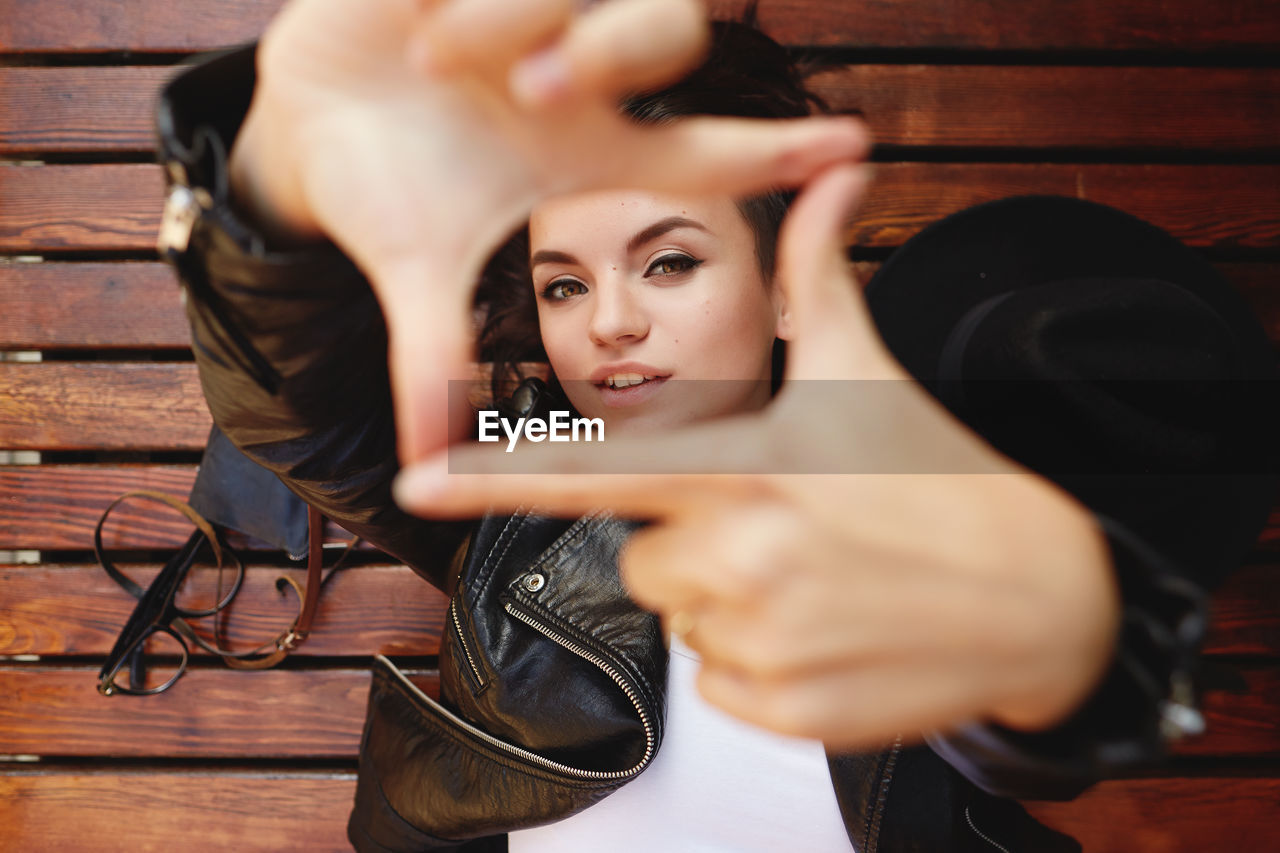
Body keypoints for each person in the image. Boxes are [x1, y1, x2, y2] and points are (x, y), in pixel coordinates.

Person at [154, 0, 1274, 849]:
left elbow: (1037, 698)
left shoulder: (914, 482)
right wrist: (262, 206)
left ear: (790, 285)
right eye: (562, 286)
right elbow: (299, 419)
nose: (611, 325)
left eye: (669, 261)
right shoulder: (544, 457)